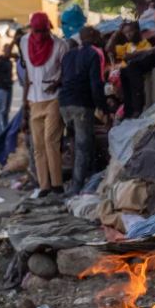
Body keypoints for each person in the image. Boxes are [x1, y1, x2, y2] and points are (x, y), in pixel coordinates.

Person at [20, 12, 68, 197]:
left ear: (49, 28)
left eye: (43, 31)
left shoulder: (59, 45)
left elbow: (67, 72)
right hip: (33, 99)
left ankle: (57, 184)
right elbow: (27, 77)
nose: (40, 35)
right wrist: (24, 104)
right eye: (36, 31)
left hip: (53, 99)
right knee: (38, 146)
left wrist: (58, 82)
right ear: (32, 29)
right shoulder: (24, 43)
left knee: (51, 141)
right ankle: (44, 186)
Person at [59, 26, 108, 196]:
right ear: (93, 36)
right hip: (81, 104)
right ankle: (77, 188)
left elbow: (63, 78)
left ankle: (87, 178)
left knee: (76, 143)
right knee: (82, 146)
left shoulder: (69, 55)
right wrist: (103, 107)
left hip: (64, 103)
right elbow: (96, 84)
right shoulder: (95, 53)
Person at [0, 44, 15, 136]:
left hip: (8, 87)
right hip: (2, 88)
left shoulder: (9, 61)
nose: (9, 52)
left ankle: (5, 132)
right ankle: (0, 132)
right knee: (1, 111)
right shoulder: (0, 62)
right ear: (4, 50)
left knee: (6, 111)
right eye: (7, 49)